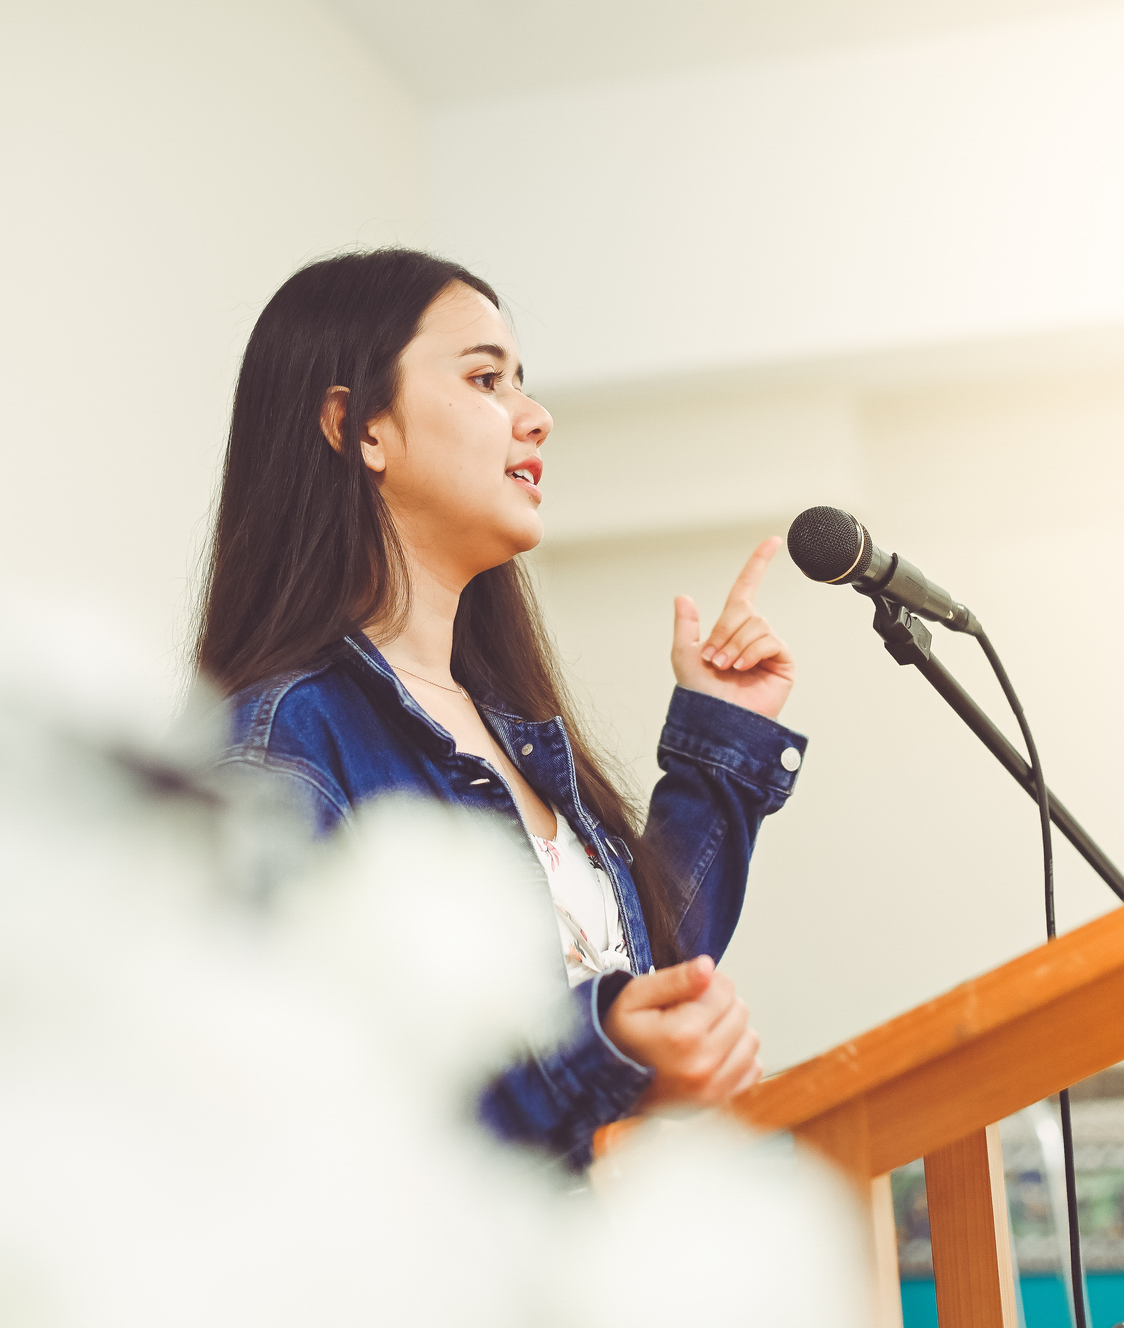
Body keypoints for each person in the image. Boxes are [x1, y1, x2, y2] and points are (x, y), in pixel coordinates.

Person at [198, 248, 807, 1169]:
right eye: (487, 378)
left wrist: (722, 739)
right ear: (359, 426)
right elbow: (309, 1110)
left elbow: (639, 978)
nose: (536, 416)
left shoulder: (507, 726)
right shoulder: (285, 742)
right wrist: (598, 1055)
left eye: (522, 381)